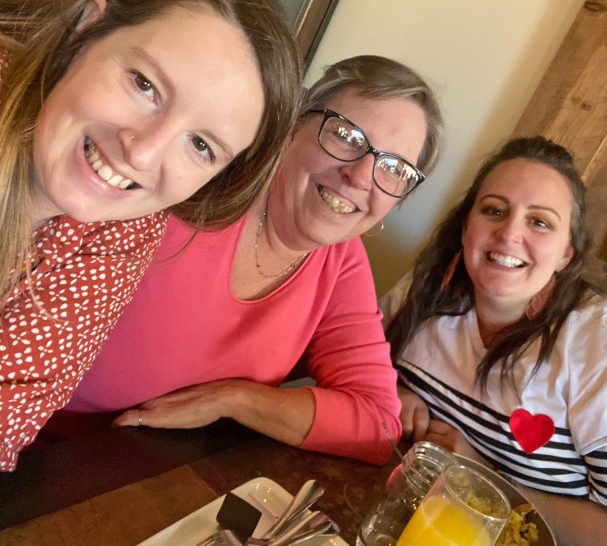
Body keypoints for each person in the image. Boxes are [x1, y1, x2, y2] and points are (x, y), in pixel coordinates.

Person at [0, 0, 303, 471]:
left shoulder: (127, 228)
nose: (142, 153)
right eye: (144, 84)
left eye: (201, 146)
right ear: (84, 32)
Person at [62, 55, 444, 465]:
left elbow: (378, 423)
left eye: (394, 169)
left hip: (140, 476)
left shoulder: (342, 261)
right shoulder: (199, 186)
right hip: (35, 448)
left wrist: (236, 398)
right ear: (293, 127)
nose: (360, 175)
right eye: (346, 136)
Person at [381, 137, 607, 544]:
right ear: (467, 227)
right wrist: (387, 388)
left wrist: (477, 474)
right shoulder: (427, 287)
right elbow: (349, 364)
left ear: (566, 253)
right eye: (494, 211)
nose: (509, 234)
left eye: (539, 222)